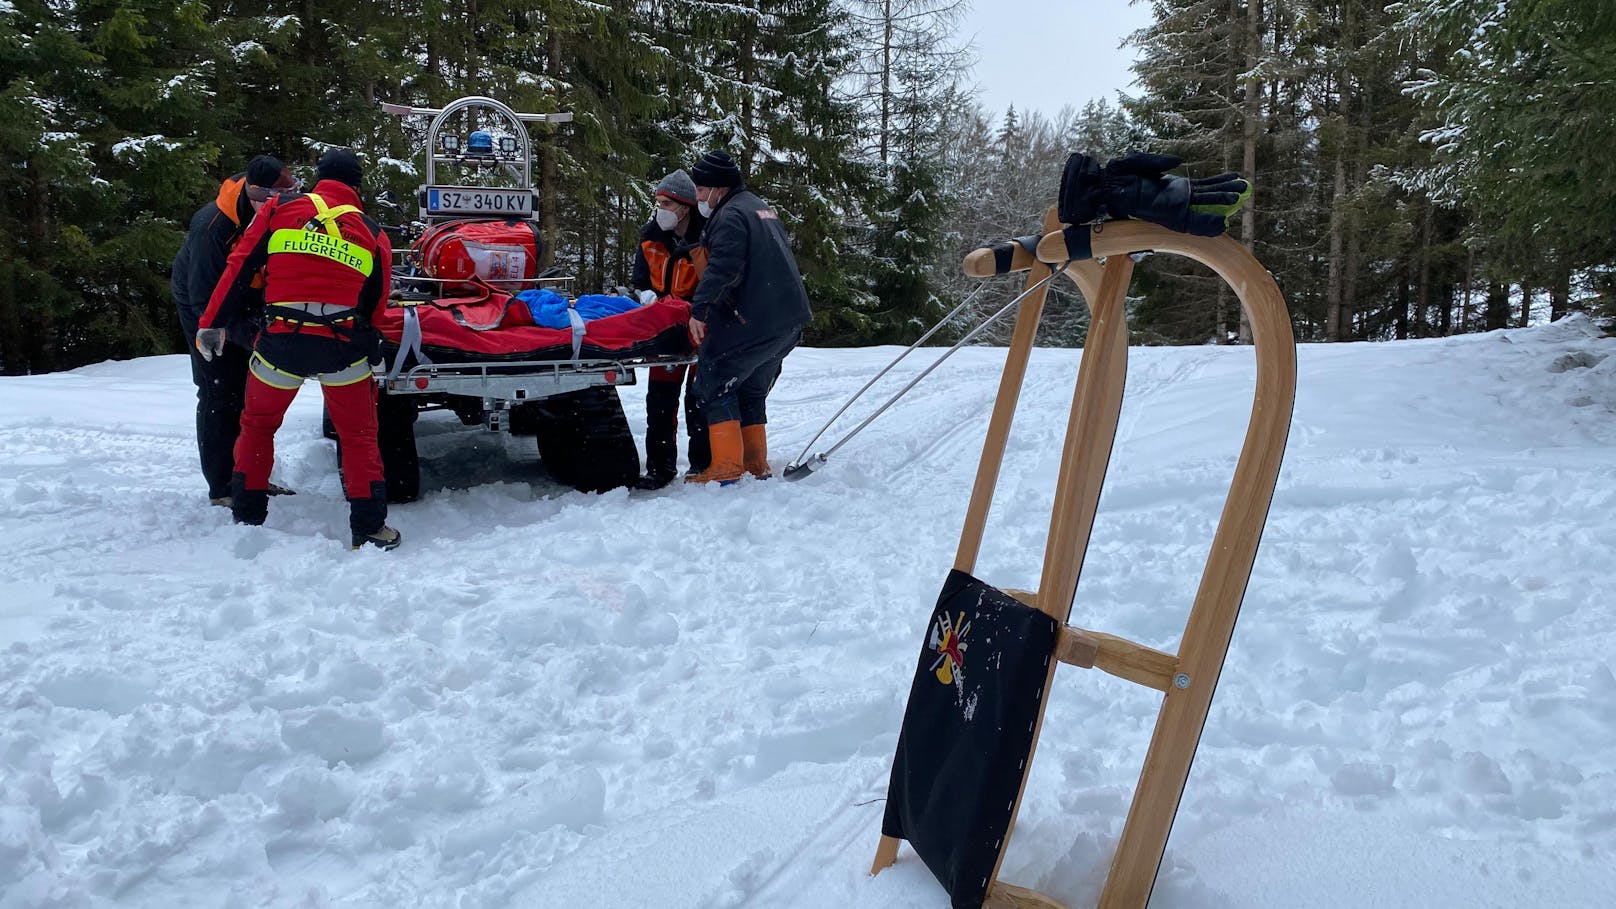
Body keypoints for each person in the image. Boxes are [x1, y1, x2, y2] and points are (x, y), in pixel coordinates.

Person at [196, 148, 400, 550]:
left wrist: (211, 323)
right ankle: (371, 529)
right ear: (356, 186)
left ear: (319, 177)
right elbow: (376, 305)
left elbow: (238, 267)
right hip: (341, 347)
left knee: (257, 425)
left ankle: (248, 515)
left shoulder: (278, 211)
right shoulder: (373, 233)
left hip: (280, 342)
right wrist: (372, 344)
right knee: (359, 437)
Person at [171, 155, 300, 505]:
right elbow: (203, 301)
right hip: (205, 305)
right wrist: (242, 333)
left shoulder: (277, 213)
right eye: (275, 200)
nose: (282, 207)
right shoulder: (212, 227)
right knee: (219, 391)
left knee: (252, 393)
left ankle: (250, 476)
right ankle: (222, 486)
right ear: (255, 195)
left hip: (249, 297)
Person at [684, 150, 812, 483]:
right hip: (788, 319)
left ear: (716, 187)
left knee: (714, 377)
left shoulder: (729, 217)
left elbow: (723, 267)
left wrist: (700, 310)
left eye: (700, 190)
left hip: (759, 319)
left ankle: (726, 468)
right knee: (751, 388)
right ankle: (756, 462)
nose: (697, 197)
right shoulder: (759, 206)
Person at [628, 168, 709, 489]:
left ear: (684, 207)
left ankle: (702, 463)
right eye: (657, 202)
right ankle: (660, 468)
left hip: (701, 323)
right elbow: (639, 279)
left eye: (666, 203)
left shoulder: (707, 236)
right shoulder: (651, 236)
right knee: (660, 400)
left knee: (699, 397)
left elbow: (715, 279)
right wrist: (645, 295)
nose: (659, 209)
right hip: (665, 325)